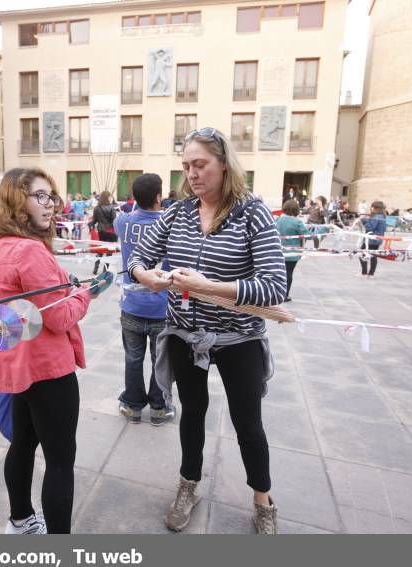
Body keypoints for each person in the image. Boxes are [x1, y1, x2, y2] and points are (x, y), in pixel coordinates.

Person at [128, 127, 286, 534]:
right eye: (186, 167)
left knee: (247, 421)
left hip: (238, 337)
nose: (192, 174)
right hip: (184, 333)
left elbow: (274, 286)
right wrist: (147, 277)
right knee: (191, 414)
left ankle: (263, 500)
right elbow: (138, 258)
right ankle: (188, 485)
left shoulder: (252, 212)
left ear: (223, 164)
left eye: (200, 164)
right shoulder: (178, 212)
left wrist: (207, 286)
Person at [0, 167, 95, 534]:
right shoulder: (29, 251)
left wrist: (63, 290)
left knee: (23, 443)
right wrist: (84, 293)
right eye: (40, 196)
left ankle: (21, 520)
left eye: (51, 196)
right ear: (16, 200)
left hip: (15, 364)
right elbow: (59, 318)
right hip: (46, 369)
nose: (51, 205)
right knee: (60, 460)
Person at [114, 173, 174, 426]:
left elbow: (128, 213)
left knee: (133, 358)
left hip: (131, 305)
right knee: (160, 361)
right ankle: (159, 409)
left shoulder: (122, 221)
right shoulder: (171, 225)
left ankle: (132, 406)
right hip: (162, 306)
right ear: (159, 197)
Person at [276, 199, 312, 302]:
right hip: (292, 253)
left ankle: (278, 292)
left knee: (280, 273)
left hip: (279, 251)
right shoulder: (297, 222)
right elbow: (308, 235)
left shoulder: (278, 220)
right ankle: (285, 295)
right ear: (296, 209)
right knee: (289, 273)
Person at [89, 190, 118, 275]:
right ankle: (105, 270)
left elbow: (94, 221)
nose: (111, 198)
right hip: (110, 232)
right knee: (109, 252)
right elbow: (114, 221)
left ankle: (95, 269)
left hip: (101, 231)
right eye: (110, 196)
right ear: (107, 197)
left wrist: (90, 226)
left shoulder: (97, 208)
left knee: (100, 250)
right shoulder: (111, 208)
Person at [357, 200, 386, 278]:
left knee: (362, 254)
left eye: (371, 207)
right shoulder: (382, 217)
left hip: (371, 239)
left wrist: (363, 220)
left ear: (374, 207)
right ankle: (371, 274)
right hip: (378, 239)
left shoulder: (376, 217)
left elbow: (369, 227)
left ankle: (364, 273)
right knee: (373, 256)